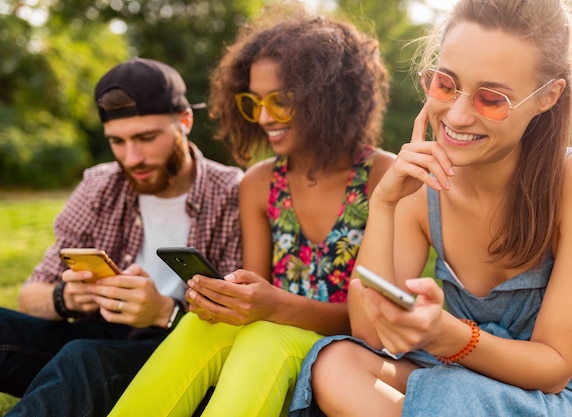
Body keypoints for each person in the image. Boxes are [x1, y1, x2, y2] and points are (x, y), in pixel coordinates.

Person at [288, 0, 572, 416]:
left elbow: (554, 368)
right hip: (463, 377)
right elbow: (370, 335)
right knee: (336, 362)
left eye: (491, 99)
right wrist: (384, 202)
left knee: (455, 396)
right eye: (446, 85)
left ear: (548, 97)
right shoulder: (420, 185)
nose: (458, 115)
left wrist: (448, 336)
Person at [108, 1, 395, 416]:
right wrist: (228, 299)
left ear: (329, 98)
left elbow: (378, 323)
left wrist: (275, 306)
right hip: (271, 332)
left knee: (265, 338)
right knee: (198, 325)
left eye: (280, 101)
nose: (263, 117)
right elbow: (255, 288)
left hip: (349, 353)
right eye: (253, 102)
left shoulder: (384, 177)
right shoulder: (260, 182)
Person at [0, 57, 243, 416]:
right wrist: (68, 297)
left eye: (146, 138)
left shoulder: (234, 194)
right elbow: (30, 296)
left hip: (179, 348)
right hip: (96, 335)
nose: (132, 158)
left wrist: (164, 312)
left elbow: (240, 322)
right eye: (117, 141)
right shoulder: (99, 184)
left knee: (82, 359)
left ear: (185, 122)